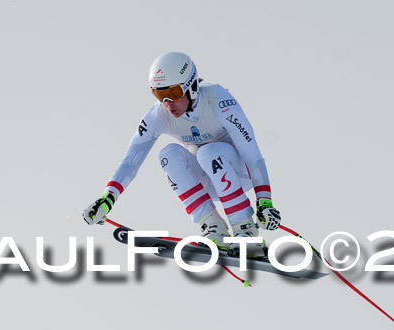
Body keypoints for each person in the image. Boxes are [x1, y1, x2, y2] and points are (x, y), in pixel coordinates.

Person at [83, 52, 281, 257]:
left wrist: (264, 201)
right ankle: (214, 228)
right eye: (160, 95)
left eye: (174, 93)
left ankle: (245, 229)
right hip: (208, 178)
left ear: (191, 86)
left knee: (207, 152)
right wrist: (108, 198)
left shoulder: (219, 100)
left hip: (239, 171)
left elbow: (253, 155)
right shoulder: (157, 115)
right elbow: (131, 161)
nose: (168, 103)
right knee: (168, 154)